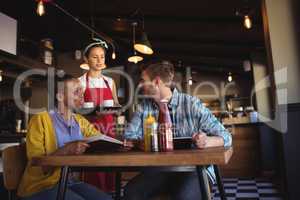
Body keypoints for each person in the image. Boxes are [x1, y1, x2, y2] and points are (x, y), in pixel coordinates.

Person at [123, 60, 232, 200]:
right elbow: (129, 136)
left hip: (195, 170)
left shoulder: (191, 104)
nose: (139, 84)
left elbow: (226, 136)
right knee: (131, 193)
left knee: (183, 197)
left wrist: (206, 141)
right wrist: (138, 141)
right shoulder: (144, 107)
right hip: (160, 170)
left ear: (156, 81)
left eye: (143, 80)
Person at [17, 75, 112, 200]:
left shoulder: (80, 121)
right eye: (76, 91)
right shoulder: (40, 120)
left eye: (81, 91)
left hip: (70, 183)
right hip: (41, 186)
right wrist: (67, 149)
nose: (82, 94)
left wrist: (119, 144)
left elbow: (99, 140)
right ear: (60, 96)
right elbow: (39, 165)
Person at [78, 38, 119, 193]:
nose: (99, 60)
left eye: (102, 56)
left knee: (110, 167)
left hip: (109, 128)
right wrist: (93, 111)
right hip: (90, 129)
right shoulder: (80, 82)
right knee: (94, 170)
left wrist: (115, 109)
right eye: (94, 57)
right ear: (86, 59)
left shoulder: (110, 81)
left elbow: (116, 106)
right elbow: (76, 110)